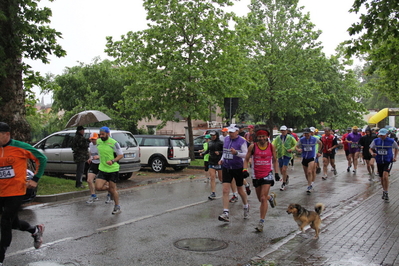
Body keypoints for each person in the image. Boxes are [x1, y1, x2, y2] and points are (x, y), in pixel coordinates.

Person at [0, 122, 47, 265]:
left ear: (6, 134)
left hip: (15, 191)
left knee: (5, 222)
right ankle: (35, 230)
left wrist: (35, 179)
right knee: (13, 223)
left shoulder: (20, 147)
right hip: (1, 191)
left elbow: (42, 158)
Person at [244, 129, 278, 232]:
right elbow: (246, 159)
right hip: (256, 175)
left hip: (267, 174)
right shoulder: (253, 147)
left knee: (263, 199)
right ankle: (270, 197)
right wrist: (244, 169)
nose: (262, 138)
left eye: (264, 136)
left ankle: (261, 222)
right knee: (260, 198)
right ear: (257, 137)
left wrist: (276, 173)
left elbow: (275, 160)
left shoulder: (271, 146)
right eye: (260, 137)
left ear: (267, 137)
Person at [217, 124, 249, 222]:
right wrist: (222, 159)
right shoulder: (226, 139)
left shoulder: (242, 141)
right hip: (226, 167)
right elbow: (225, 151)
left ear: (237, 132)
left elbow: (246, 155)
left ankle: (246, 206)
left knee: (240, 190)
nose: (230, 134)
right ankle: (225, 212)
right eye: (229, 132)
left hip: (237, 167)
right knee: (225, 190)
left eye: (232, 132)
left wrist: (236, 153)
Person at [95, 126, 124, 215]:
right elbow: (102, 153)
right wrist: (98, 156)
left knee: (112, 189)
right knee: (98, 187)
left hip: (113, 169)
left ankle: (117, 206)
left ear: (108, 134)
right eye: (100, 134)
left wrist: (112, 161)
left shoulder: (114, 143)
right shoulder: (98, 141)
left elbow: (120, 155)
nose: (101, 136)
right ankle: (111, 190)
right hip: (103, 168)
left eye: (103, 134)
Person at [369, 128, 398, 203]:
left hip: (388, 160)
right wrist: (372, 153)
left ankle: (387, 191)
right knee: (381, 178)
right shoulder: (376, 141)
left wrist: (395, 157)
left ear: (386, 134)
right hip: (379, 161)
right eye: (380, 135)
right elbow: (370, 149)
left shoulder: (391, 141)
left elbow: (396, 148)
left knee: (385, 176)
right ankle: (384, 190)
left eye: (383, 135)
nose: (381, 136)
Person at [295, 128, 322, 193]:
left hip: (312, 157)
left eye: (307, 133)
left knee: (310, 171)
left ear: (310, 133)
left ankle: (309, 185)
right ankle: (309, 182)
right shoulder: (301, 140)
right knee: (306, 173)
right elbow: (296, 146)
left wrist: (319, 152)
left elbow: (320, 143)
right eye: (305, 133)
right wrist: (298, 149)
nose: (306, 135)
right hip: (304, 157)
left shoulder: (314, 139)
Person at [272, 125, 297, 191]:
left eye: (284, 130)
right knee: (281, 171)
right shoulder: (278, 138)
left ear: (286, 131)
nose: (283, 132)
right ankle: (286, 177)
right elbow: (273, 144)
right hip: (280, 155)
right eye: (281, 130)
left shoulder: (290, 137)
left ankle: (283, 183)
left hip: (287, 155)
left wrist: (291, 149)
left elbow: (296, 144)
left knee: (284, 169)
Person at [204, 131, 223, 200]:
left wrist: (219, 152)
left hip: (219, 162)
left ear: (217, 135)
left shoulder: (221, 143)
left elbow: (224, 151)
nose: (213, 137)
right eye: (212, 136)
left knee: (221, 179)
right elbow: (208, 150)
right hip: (211, 161)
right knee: (212, 177)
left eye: (214, 135)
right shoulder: (210, 143)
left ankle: (227, 189)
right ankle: (213, 193)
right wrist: (203, 153)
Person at [86, 133, 100, 204]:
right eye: (92, 139)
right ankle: (93, 195)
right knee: (89, 180)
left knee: (103, 182)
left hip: (101, 164)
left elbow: (106, 155)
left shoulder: (101, 144)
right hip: (93, 163)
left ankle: (110, 193)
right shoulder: (90, 144)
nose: (93, 141)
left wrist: (98, 157)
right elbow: (91, 153)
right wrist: (90, 158)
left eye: (94, 139)